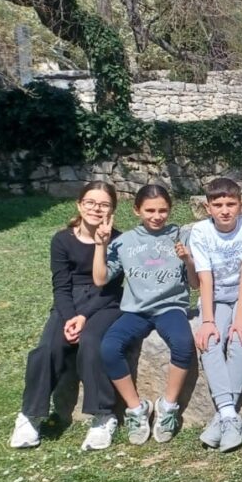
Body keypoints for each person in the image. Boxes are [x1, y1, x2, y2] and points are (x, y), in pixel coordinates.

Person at [10, 182, 125, 451]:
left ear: (112, 210)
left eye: (104, 204)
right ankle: (30, 415)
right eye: (90, 202)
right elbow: (61, 286)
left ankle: (103, 416)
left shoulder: (119, 239)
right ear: (79, 205)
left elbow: (111, 288)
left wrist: (84, 317)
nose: (96, 209)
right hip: (70, 301)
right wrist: (71, 316)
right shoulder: (62, 240)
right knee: (48, 347)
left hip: (104, 301)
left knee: (92, 342)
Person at [95, 184, 197, 446]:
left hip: (170, 307)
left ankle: (168, 407)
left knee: (183, 343)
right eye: (150, 210)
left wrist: (188, 260)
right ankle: (136, 409)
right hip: (137, 311)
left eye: (163, 210)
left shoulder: (180, 236)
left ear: (170, 210)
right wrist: (100, 245)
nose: (157, 216)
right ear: (136, 210)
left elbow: (195, 284)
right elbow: (101, 278)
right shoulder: (124, 242)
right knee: (109, 347)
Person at [188, 178, 242, 453]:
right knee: (209, 340)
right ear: (207, 207)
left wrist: (241, 318)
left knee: (240, 338)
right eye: (218, 204)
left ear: (241, 205)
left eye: (231, 204)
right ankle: (229, 414)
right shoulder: (200, 231)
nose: (225, 210)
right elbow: (204, 277)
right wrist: (207, 321)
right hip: (216, 296)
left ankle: (223, 416)